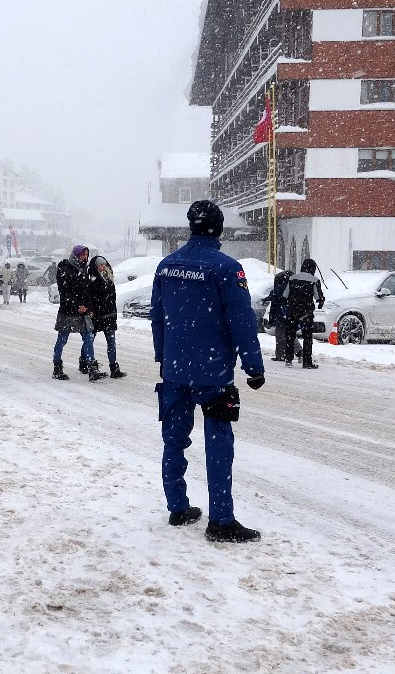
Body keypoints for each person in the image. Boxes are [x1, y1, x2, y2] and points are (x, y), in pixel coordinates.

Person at [150, 200, 265, 543]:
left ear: (191, 226)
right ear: (218, 229)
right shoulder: (227, 268)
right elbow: (242, 320)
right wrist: (253, 366)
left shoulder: (166, 266)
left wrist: (164, 355)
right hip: (213, 373)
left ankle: (178, 506)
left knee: (173, 440)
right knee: (218, 444)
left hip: (173, 370)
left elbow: (158, 316)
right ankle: (221, 519)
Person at [52, 245, 107, 382]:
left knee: (88, 338)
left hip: (83, 311)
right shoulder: (64, 269)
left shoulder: (83, 270)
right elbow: (65, 292)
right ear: (76, 255)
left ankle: (92, 369)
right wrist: (77, 306)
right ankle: (57, 366)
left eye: (86, 255)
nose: (85, 257)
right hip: (68, 312)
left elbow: (86, 291)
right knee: (62, 339)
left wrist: (89, 307)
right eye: (82, 255)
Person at [281, 258, 326, 370]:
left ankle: (288, 359)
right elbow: (318, 297)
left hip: (292, 311)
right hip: (306, 312)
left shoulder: (292, 278)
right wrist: (320, 302)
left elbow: (285, 295)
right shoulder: (314, 280)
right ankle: (307, 362)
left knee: (290, 335)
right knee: (307, 337)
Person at [87, 255, 126, 379]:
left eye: (104, 264)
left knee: (111, 342)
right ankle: (88, 365)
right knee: (89, 340)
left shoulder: (109, 279)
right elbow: (90, 298)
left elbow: (112, 298)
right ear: (96, 267)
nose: (103, 267)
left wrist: (113, 313)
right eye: (100, 265)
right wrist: (92, 310)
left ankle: (114, 368)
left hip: (109, 316)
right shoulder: (92, 281)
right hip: (96, 316)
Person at [262, 269, 294, 363]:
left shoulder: (279, 288)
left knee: (280, 336)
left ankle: (280, 355)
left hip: (280, 315)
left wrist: (272, 318)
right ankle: (297, 352)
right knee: (289, 335)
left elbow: (274, 300)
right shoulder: (291, 287)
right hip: (289, 315)